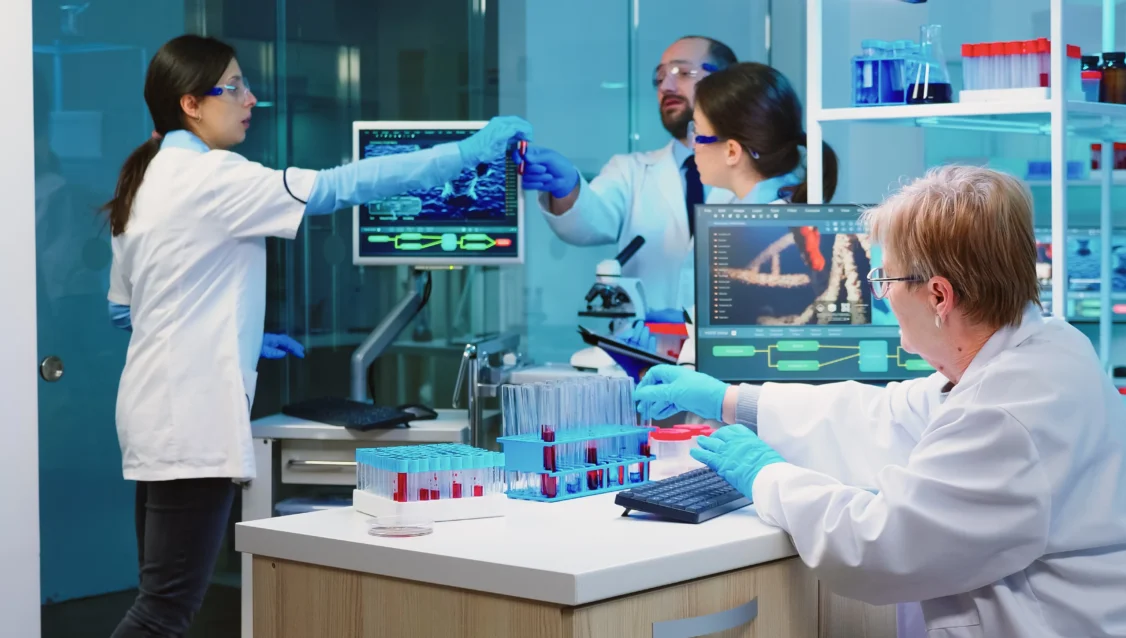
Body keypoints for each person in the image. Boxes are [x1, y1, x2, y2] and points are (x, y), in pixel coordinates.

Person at [633, 166, 1126, 637]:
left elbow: (883, 545)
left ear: (939, 295)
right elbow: (891, 416)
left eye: (885, 281)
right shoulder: (1035, 347)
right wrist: (732, 400)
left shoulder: (1007, 409)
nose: (883, 296)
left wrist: (767, 478)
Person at [103, 35, 530, 637]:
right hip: (190, 425)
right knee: (164, 609)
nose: (251, 98)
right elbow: (339, 186)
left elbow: (127, 313)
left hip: (153, 417)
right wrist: (465, 155)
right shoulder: (211, 175)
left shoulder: (145, 179)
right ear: (190, 104)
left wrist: (234, 336)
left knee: (159, 595)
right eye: (234, 87)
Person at [518, 35, 738, 314]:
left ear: (729, 83)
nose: (666, 87)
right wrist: (567, 185)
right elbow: (588, 222)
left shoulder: (765, 168)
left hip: (736, 349)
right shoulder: (630, 171)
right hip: (647, 349)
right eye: (659, 78)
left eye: (683, 73)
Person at [689, 61, 838, 205]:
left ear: (732, 152)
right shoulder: (783, 202)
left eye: (696, 132)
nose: (693, 146)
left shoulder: (764, 225)